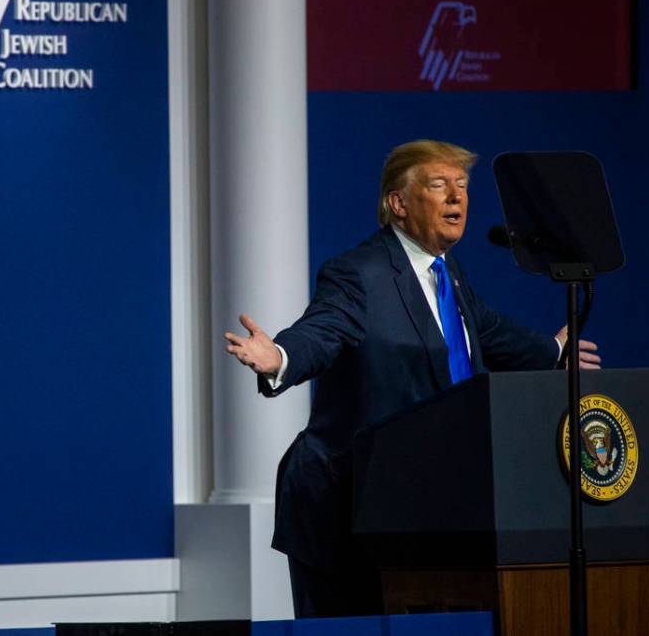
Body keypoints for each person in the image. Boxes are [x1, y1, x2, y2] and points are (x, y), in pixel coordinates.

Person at [224, 139, 600, 618]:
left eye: (462, 187)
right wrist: (279, 355)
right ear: (397, 204)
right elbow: (324, 329)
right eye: (439, 185)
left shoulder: (451, 277)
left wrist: (554, 350)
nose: (456, 198)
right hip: (347, 509)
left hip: (428, 508)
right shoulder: (358, 274)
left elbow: (489, 331)